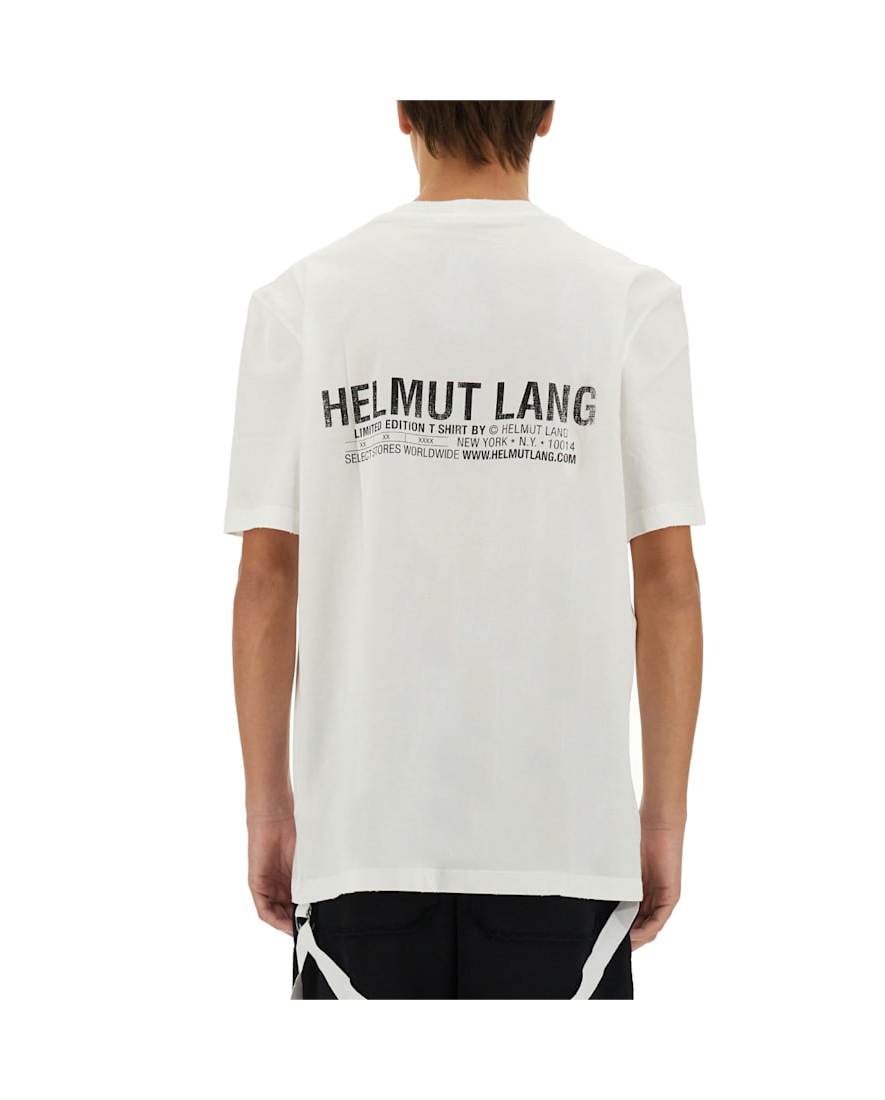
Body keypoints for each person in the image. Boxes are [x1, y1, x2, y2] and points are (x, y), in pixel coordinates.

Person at [223, 100, 705, 1000]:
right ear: (548, 115)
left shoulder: (303, 303)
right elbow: (668, 584)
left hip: (361, 842)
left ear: (403, 112)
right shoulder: (628, 302)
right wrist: (662, 819)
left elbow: (266, 577)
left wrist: (270, 808)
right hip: (567, 843)